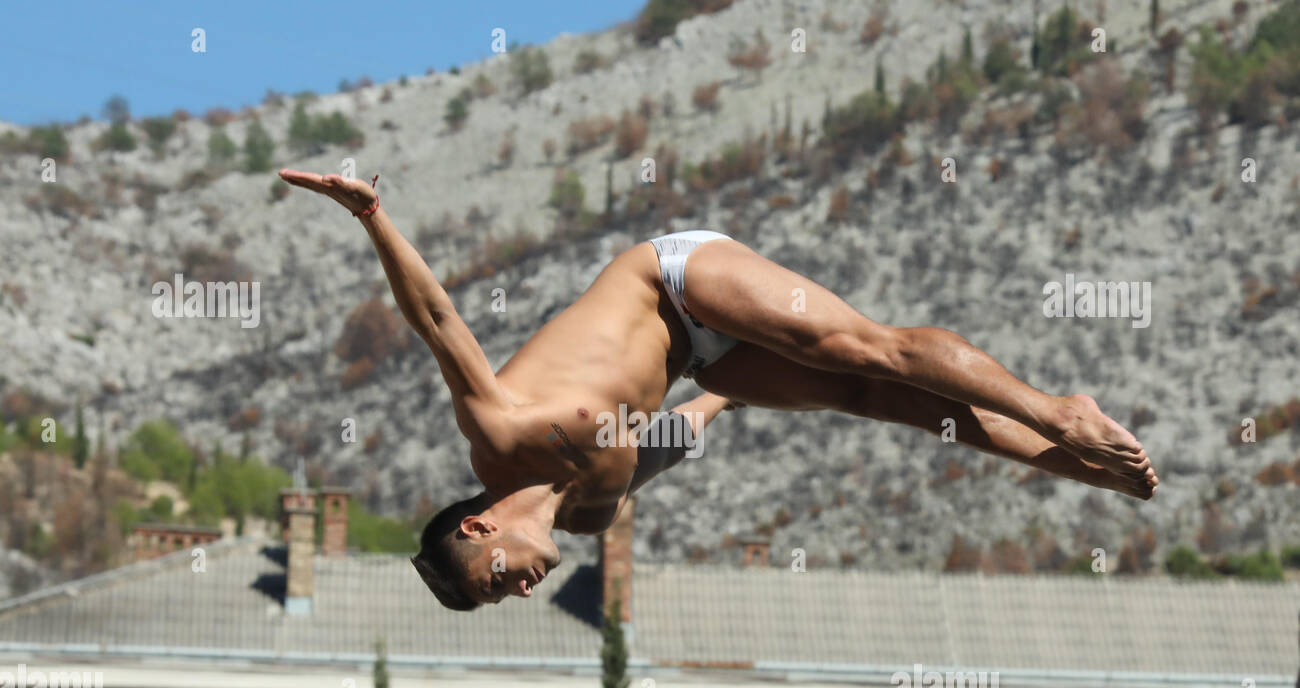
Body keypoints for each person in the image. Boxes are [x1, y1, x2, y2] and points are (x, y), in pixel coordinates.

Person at [279, 169, 1158, 610]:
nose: (520, 591)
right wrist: (720, 402)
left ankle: (1056, 410)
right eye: (505, 599)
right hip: (702, 363)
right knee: (875, 401)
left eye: (496, 579)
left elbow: (437, 320)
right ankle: (1069, 462)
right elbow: (661, 444)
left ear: (478, 525)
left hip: (673, 282)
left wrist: (371, 216)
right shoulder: (589, 515)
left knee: (861, 349)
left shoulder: (499, 435)